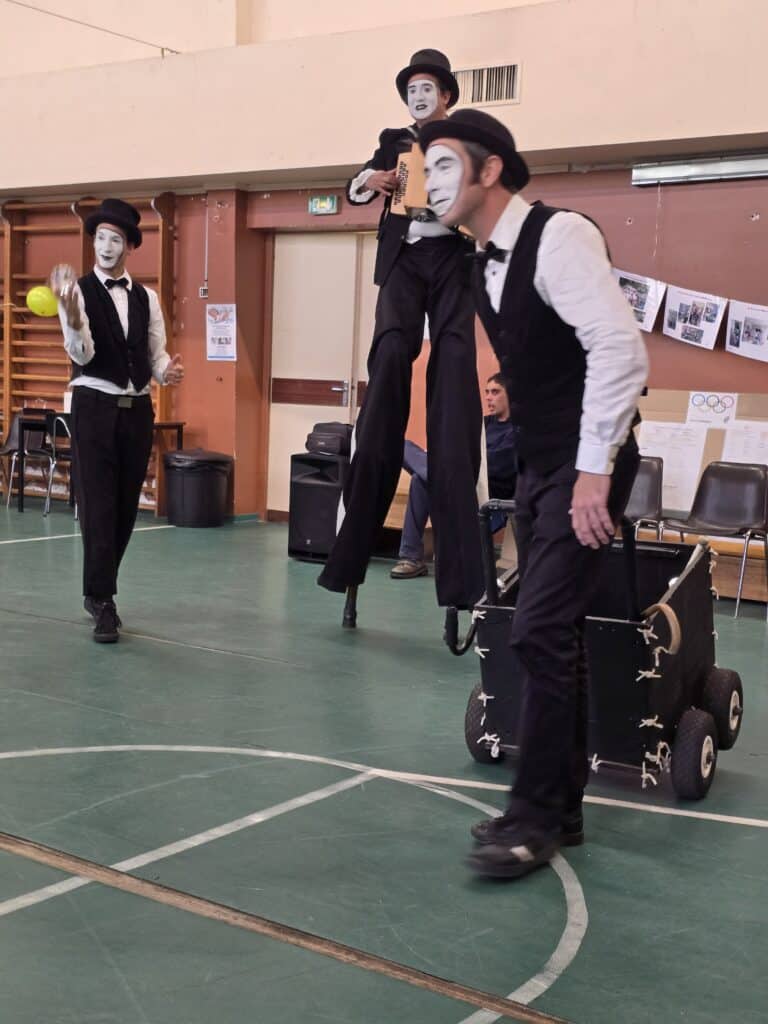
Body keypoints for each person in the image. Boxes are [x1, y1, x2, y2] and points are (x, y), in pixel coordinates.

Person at [420, 110, 648, 879]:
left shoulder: (559, 237)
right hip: (544, 462)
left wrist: (592, 472)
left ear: (490, 171)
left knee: (537, 631)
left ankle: (534, 818)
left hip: (586, 465)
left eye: (445, 166)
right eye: (425, 171)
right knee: (556, 634)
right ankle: (564, 806)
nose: (432, 182)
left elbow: (620, 349)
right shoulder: (481, 257)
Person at [317, 49, 483, 626]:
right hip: (406, 259)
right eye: (412, 87)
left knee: (455, 366)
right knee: (391, 354)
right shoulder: (393, 139)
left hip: (453, 259)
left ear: (447, 97)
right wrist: (373, 179)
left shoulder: (467, 137)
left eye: (429, 87)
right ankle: (353, 555)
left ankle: (460, 573)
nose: (419, 95)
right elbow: (353, 190)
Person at [51, 198, 184, 644]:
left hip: (138, 411)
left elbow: (156, 353)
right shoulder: (79, 293)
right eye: (100, 237)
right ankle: (102, 601)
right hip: (93, 407)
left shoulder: (146, 297)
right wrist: (70, 316)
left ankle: (99, 589)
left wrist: (167, 372)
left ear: (129, 245)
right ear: (93, 242)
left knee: (126, 509)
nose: (106, 246)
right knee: (99, 506)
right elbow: (83, 355)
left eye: (115, 239)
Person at [391, 373, 517, 579]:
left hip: (485, 490)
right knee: (405, 452)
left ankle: (432, 469)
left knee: (424, 475)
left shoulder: (517, 430)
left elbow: (495, 468)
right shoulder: (483, 424)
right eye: (486, 392)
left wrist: (453, 461)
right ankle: (411, 557)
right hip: (458, 478)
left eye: (495, 392)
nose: (488, 398)